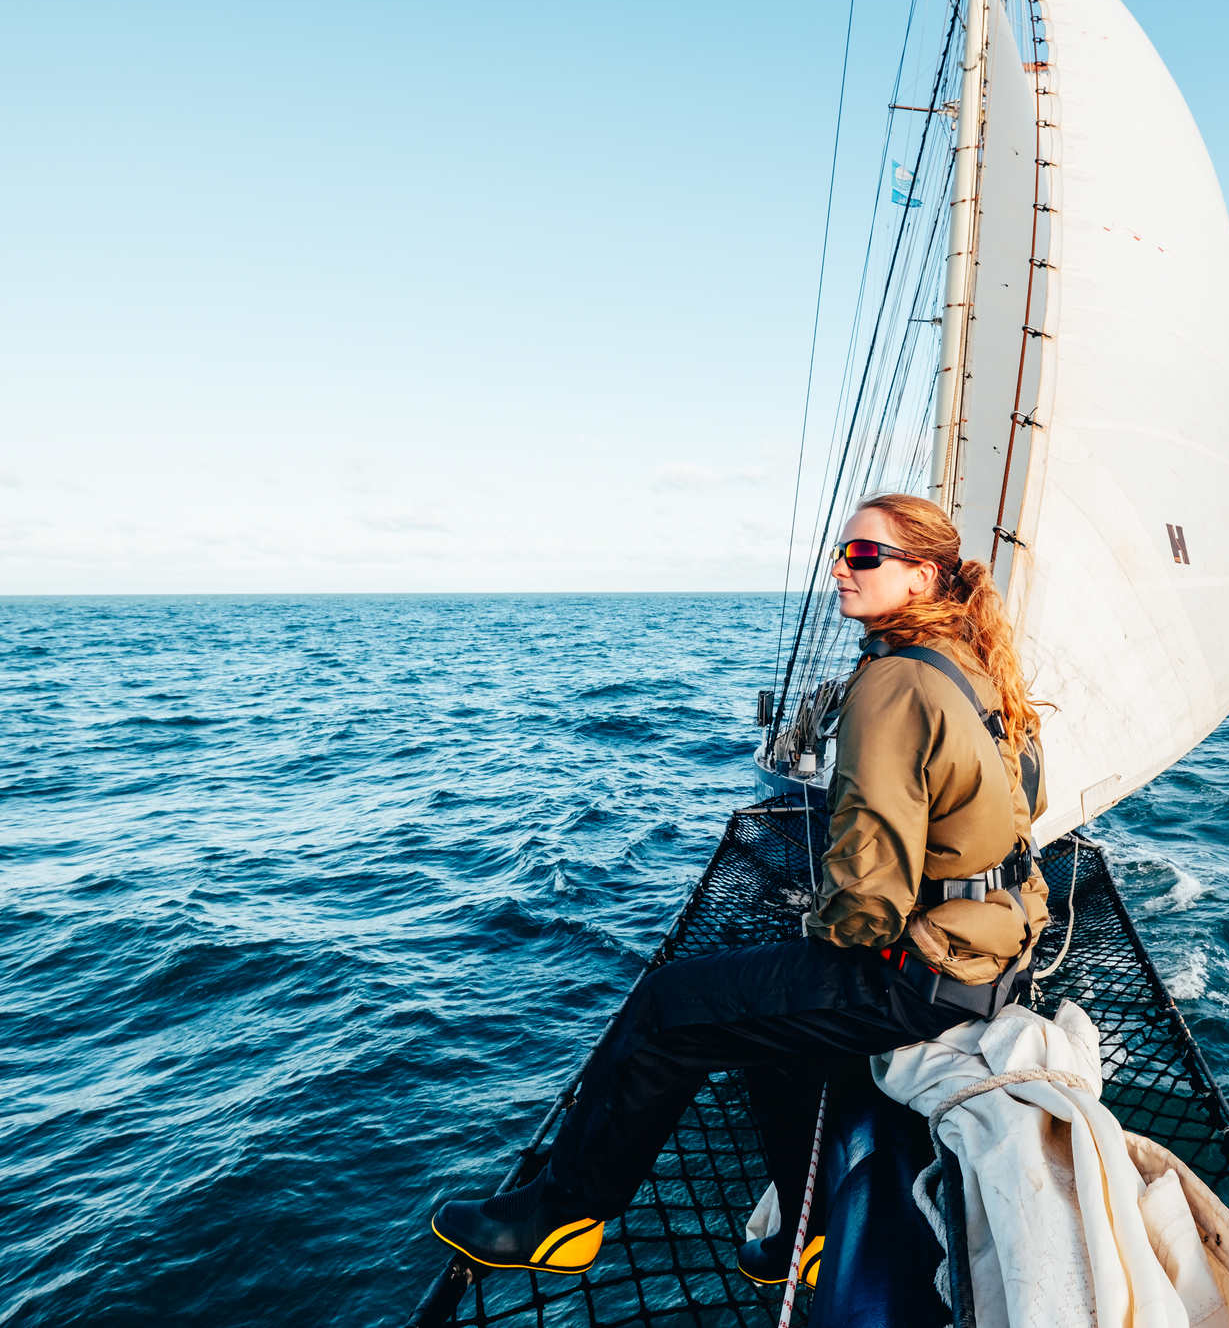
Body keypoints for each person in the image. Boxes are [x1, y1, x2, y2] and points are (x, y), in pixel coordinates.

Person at [430, 492, 1051, 1281]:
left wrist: (825, 932)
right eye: (842, 552)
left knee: (665, 1007)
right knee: (767, 1027)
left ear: (922, 576)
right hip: (993, 956)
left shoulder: (893, 682)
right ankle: (807, 1230)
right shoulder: (972, 666)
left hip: (920, 977)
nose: (840, 567)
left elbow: (866, 893)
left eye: (864, 555)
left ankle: (561, 1218)